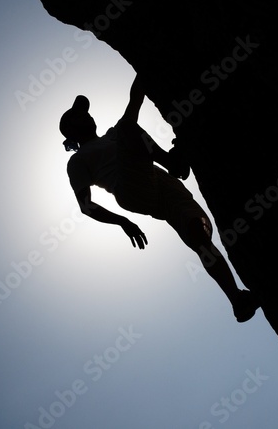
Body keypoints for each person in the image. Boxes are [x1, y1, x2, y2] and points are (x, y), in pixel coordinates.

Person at [59, 75, 259, 322]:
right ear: (72, 128)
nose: (88, 116)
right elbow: (85, 206)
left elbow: (135, 100)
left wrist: (142, 70)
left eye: (85, 112)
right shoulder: (78, 161)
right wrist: (123, 222)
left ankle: (237, 300)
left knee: (198, 235)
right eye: (79, 115)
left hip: (162, 185)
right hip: (130, 189)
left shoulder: (113, 135)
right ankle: (173, 162)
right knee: (127, 127)